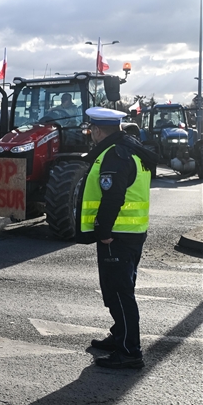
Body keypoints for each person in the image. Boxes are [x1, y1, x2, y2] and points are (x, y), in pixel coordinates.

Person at [77, 107, 157, 369]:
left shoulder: (115, 155)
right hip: (131, 233)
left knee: (119, 293)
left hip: (118, 236)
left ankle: (129, 351)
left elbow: (113, 196)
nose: (91, 134)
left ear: (98, 131)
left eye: (92, 130)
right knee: (119, 290)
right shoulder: (131, 148)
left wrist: (104, 232)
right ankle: (119, 335)